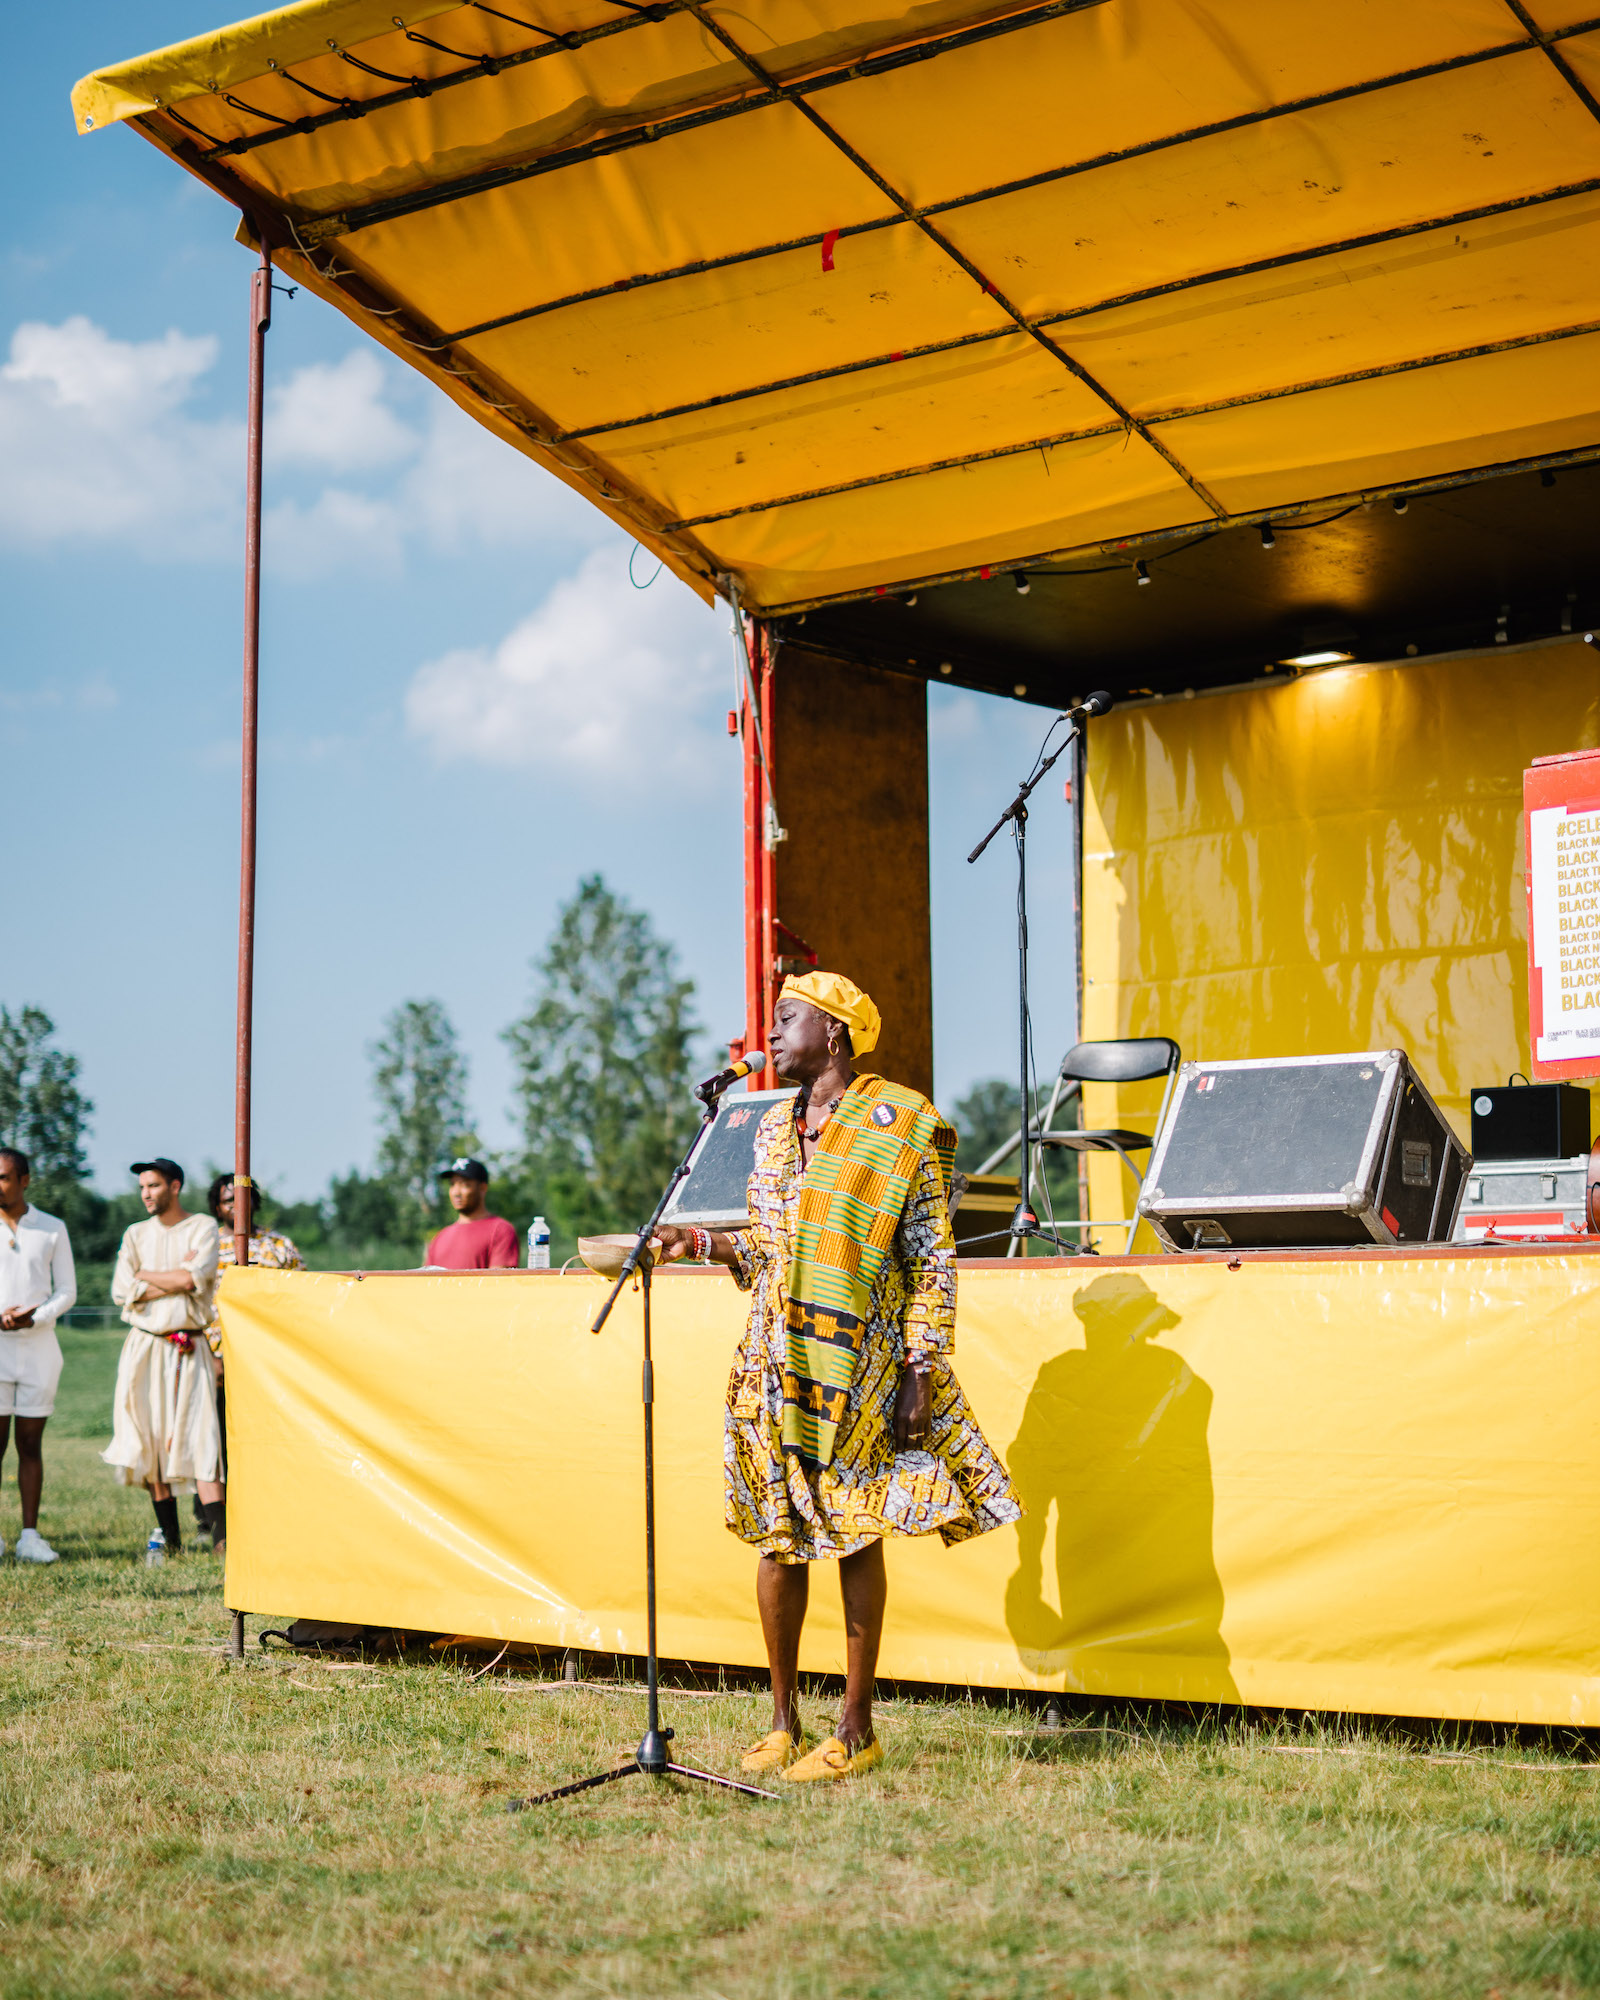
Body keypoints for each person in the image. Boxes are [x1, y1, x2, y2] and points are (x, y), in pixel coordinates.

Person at [652, 971, 1021, 1783]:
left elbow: (931, 1258)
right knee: (776, 1534)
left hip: (859, 1361)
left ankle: (857, 1726)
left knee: (854, 1530)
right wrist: (702, 1246)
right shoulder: (772, 1130)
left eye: (788, 1018)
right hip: (773, 1359)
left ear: (836, 1032)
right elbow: (767, 1247)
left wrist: (922, 1372)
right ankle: (783, 1718)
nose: (772, 1032)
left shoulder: (900, 1126)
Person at [105, 1159, 226, 1556]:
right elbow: (122, 1291)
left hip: (189, 1346)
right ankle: (170, 1538)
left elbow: (193, 1279)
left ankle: (223, 1539)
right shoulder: (135, 1233)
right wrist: (172, 1277)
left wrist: (147, 1275)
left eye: (154, 1186)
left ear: (175, 1186)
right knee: (150, 1439)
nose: (146, 1194)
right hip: (145, 1346)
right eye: (142, 1187)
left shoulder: (203, 1227)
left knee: (201, 1435)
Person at [199, 1172, 303, 1523]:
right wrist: (209, 1352)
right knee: (213, 1434)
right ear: (217, 1206)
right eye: (229, 1200)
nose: (236, 1206)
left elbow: (300, 1296)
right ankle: (211, 1515)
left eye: (243, 1199)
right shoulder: (204, 1245)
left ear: (255, 1202)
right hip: (215, 1358)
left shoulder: (279, 1246)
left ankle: (265, 1508)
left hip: (266, 1358)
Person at [0, 1147, 76, 1564]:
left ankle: (29, 1536)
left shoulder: (50, 1228)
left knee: (29, 1444)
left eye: (5, 1177)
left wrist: (36, 1317)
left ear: (24, 1180)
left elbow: (67, 1290)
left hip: (38, 1350)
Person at [424, 1158, 520, 1269]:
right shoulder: (440, 1237)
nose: (456, 1192)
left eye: (465, 1185)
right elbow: (426, 1283)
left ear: (483, 1188)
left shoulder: (501, 1230)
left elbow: (498, 1283)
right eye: (452, 1184)